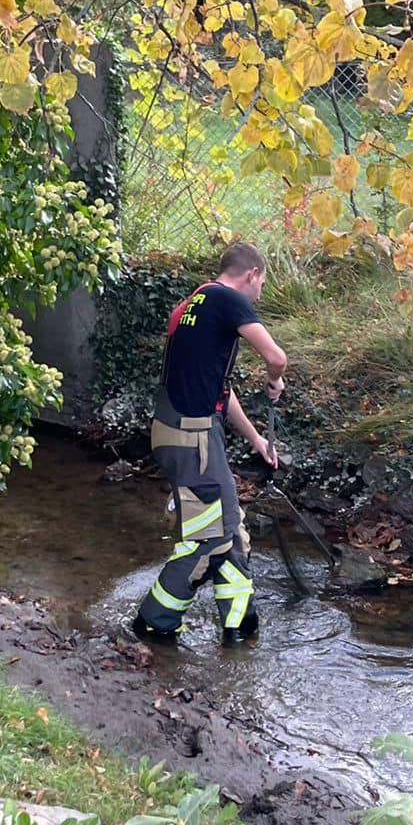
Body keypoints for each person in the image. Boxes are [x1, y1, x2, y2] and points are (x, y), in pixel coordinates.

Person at [133, 242, 287, 644]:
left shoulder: (192, 304)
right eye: (262, 285)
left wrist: (256, 440)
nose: (259, 295)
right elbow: (277, 356)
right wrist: (274, 378)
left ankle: (240, 624)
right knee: (210, 538)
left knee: (230, 530)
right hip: (193, 439)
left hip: (177, 433)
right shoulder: (226, 298)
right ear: (252, 274)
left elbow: (220, 389)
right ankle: (154, 621)